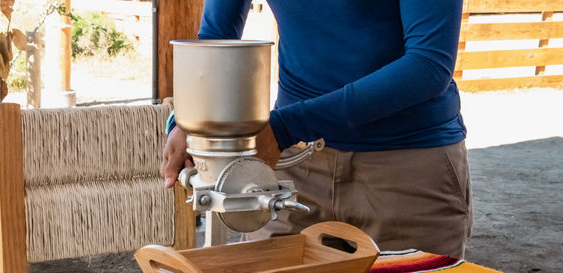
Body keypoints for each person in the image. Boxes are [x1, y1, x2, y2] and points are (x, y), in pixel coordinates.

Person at [160, 0, 472, 259]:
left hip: (406, 172)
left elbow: (428, 65)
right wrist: (188, 119)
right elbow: (217, 35)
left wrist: (286, 127)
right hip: (293, 168)